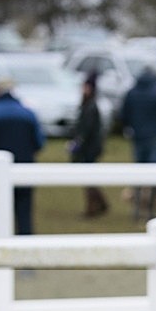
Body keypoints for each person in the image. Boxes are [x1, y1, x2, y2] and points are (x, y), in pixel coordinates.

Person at [0, 76, 44, 234]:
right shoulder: (28, 113)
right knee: (24, 211)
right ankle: (25, 240)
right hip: (25, 167)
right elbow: (39, 143)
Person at [121, 67, 156, 221]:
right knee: (154, 175)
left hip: (138, 137)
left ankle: (136, 210)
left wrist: (131, 127)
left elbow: (124, 114)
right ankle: (150, 210)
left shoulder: (132, 92)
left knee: (139, 174)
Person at [70, 74, 108, 217]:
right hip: (89, 147)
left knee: (88, 178)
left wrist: (78, 143)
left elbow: (86, 129)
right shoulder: (88, 105)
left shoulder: (90, 106)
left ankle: (93, 206)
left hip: (89, 149)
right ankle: (101, 203)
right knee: (89, 178)